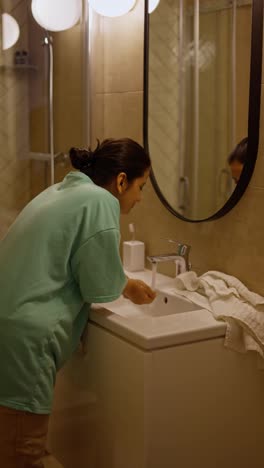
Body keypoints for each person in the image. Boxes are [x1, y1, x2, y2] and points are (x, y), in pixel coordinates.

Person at [0, 137, 156, 467]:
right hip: (24, 339)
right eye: (141, 187)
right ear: (121, 181)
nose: (140, 198)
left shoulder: (63, 191)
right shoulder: (100, 201)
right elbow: (99, 282)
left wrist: (125, 283)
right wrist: (128, 286)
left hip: (9, 324)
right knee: (23, 452)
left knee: (20, 446)